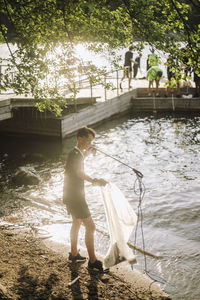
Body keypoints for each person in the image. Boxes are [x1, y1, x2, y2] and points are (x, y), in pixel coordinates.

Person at [63, 126, 107, 271]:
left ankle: (74, 254)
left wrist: (87, 154)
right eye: (87, 140)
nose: (89, 143)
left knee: (76, 222)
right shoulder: (76, 155)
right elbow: (79, 172)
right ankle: (93, 262)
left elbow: (79, 161)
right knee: (91, 226)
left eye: (91, 141)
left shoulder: (76, 153)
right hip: (76, 197)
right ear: (79, 138)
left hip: (70, 194)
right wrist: (95, 180)